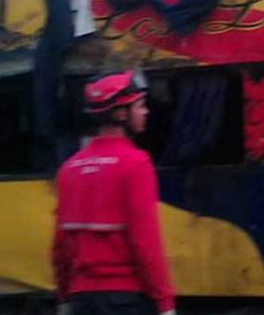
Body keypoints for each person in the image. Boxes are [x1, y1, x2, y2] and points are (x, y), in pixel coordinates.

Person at [52, 70, 177, 315]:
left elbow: (61, 246)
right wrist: (165, 302)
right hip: (126, 299)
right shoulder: (136, 164)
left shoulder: (69, 168)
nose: (146, 112)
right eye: (140, 106)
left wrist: (64, 298)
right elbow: (145, 242)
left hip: (82, 300)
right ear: (121, 114)